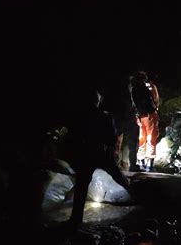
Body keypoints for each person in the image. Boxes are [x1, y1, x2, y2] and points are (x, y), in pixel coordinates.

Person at [63, 88, 130, 229]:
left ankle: (75, 219)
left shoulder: (80, 116)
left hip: (85, 154)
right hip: (102, 153)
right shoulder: (105, 116)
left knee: (82, 186)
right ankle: (138, 197)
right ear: (97, 101)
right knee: (119, 178)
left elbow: (72, 135)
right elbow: (112, 138)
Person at [129, 71, 160, 172]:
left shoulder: (133, 88)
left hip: (141, 116)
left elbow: (134, 104)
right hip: (148, 114)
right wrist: (155, 108)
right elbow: (155, 100)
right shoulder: (148, 87)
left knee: (143, 139)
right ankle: (149, 164)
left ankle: (143, 162)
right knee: (150, 138)